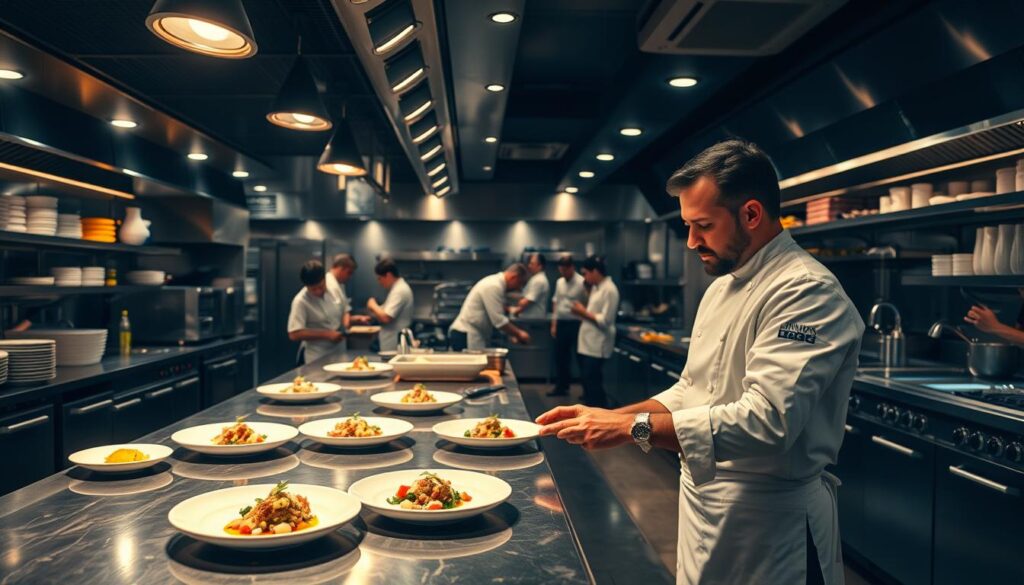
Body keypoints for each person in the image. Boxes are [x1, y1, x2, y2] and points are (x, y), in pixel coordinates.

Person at [536, 140, 864, 585]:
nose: (691, 241)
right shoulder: (721, 287)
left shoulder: (804, 291)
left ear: (751, 214)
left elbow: (767, 422)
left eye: (703, 226)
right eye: (689, 225)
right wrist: (610, 417)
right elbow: (691, 390)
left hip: (770, 528)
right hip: (704, 513)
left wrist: (631, 430)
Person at [571, 255, 619, 407]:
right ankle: (590, 413)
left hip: (598, 346)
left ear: (595, 271)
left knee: (594, 384)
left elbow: (605, 321)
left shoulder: (610, 290)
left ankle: (601, 416)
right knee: (587, 382)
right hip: (587, 344)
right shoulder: (597, 288)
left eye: (585, 273)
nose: (584, 277)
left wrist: (582, 312)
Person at [449, 264, 532, 351]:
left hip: (473, 334)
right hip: (466, 335)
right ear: (514, 277)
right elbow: (498, 320)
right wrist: (519, 334)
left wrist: (510, 335)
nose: (519, 288)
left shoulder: (497, 285)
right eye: (520, 283)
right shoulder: (493, 286)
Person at [287, 259, 344, 364]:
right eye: (313, 289)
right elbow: (294, 334)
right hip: (316, 356)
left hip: (338, 351)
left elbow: (343, 311)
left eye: (321, 287)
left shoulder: (334, 289)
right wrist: (327, 334)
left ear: (325, 279)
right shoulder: (300, 301)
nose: (318, 291)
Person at [548, 255, 588, 397]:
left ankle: (586, 390)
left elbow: (587, 303)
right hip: (562, 322)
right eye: (561, 270)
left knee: (580, 358)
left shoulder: (582, 282)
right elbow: (555, 302)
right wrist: (554, 323)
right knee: (561, 357)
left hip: (577, 323)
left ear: (571, 267)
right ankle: (562, 387)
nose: (563, 273)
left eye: (565, 270)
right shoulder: (559, 282)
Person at [365, 258, 415, 352]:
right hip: (390, 343)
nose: (379, 282)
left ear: (388, 275)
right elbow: (383, 312)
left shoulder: (399, 290)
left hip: (394, 344)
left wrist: (372, 305)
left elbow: (386, 317)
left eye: (380, 278)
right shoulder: (396, 289)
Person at [325, 253, 362, 330]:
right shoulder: (327, 284)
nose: (349, 277)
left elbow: (343, 312)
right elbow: (332, 318)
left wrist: (355, 319)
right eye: (349, 273)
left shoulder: (340, 285)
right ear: (341, 268)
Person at [510, 253, 550, 319]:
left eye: (532, 264)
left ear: (540, 266)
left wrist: (513, 309)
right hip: (530, 318)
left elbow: (525, 302)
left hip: (533, 320)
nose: (529, 266)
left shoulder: (539, 280)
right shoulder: (535, 278)